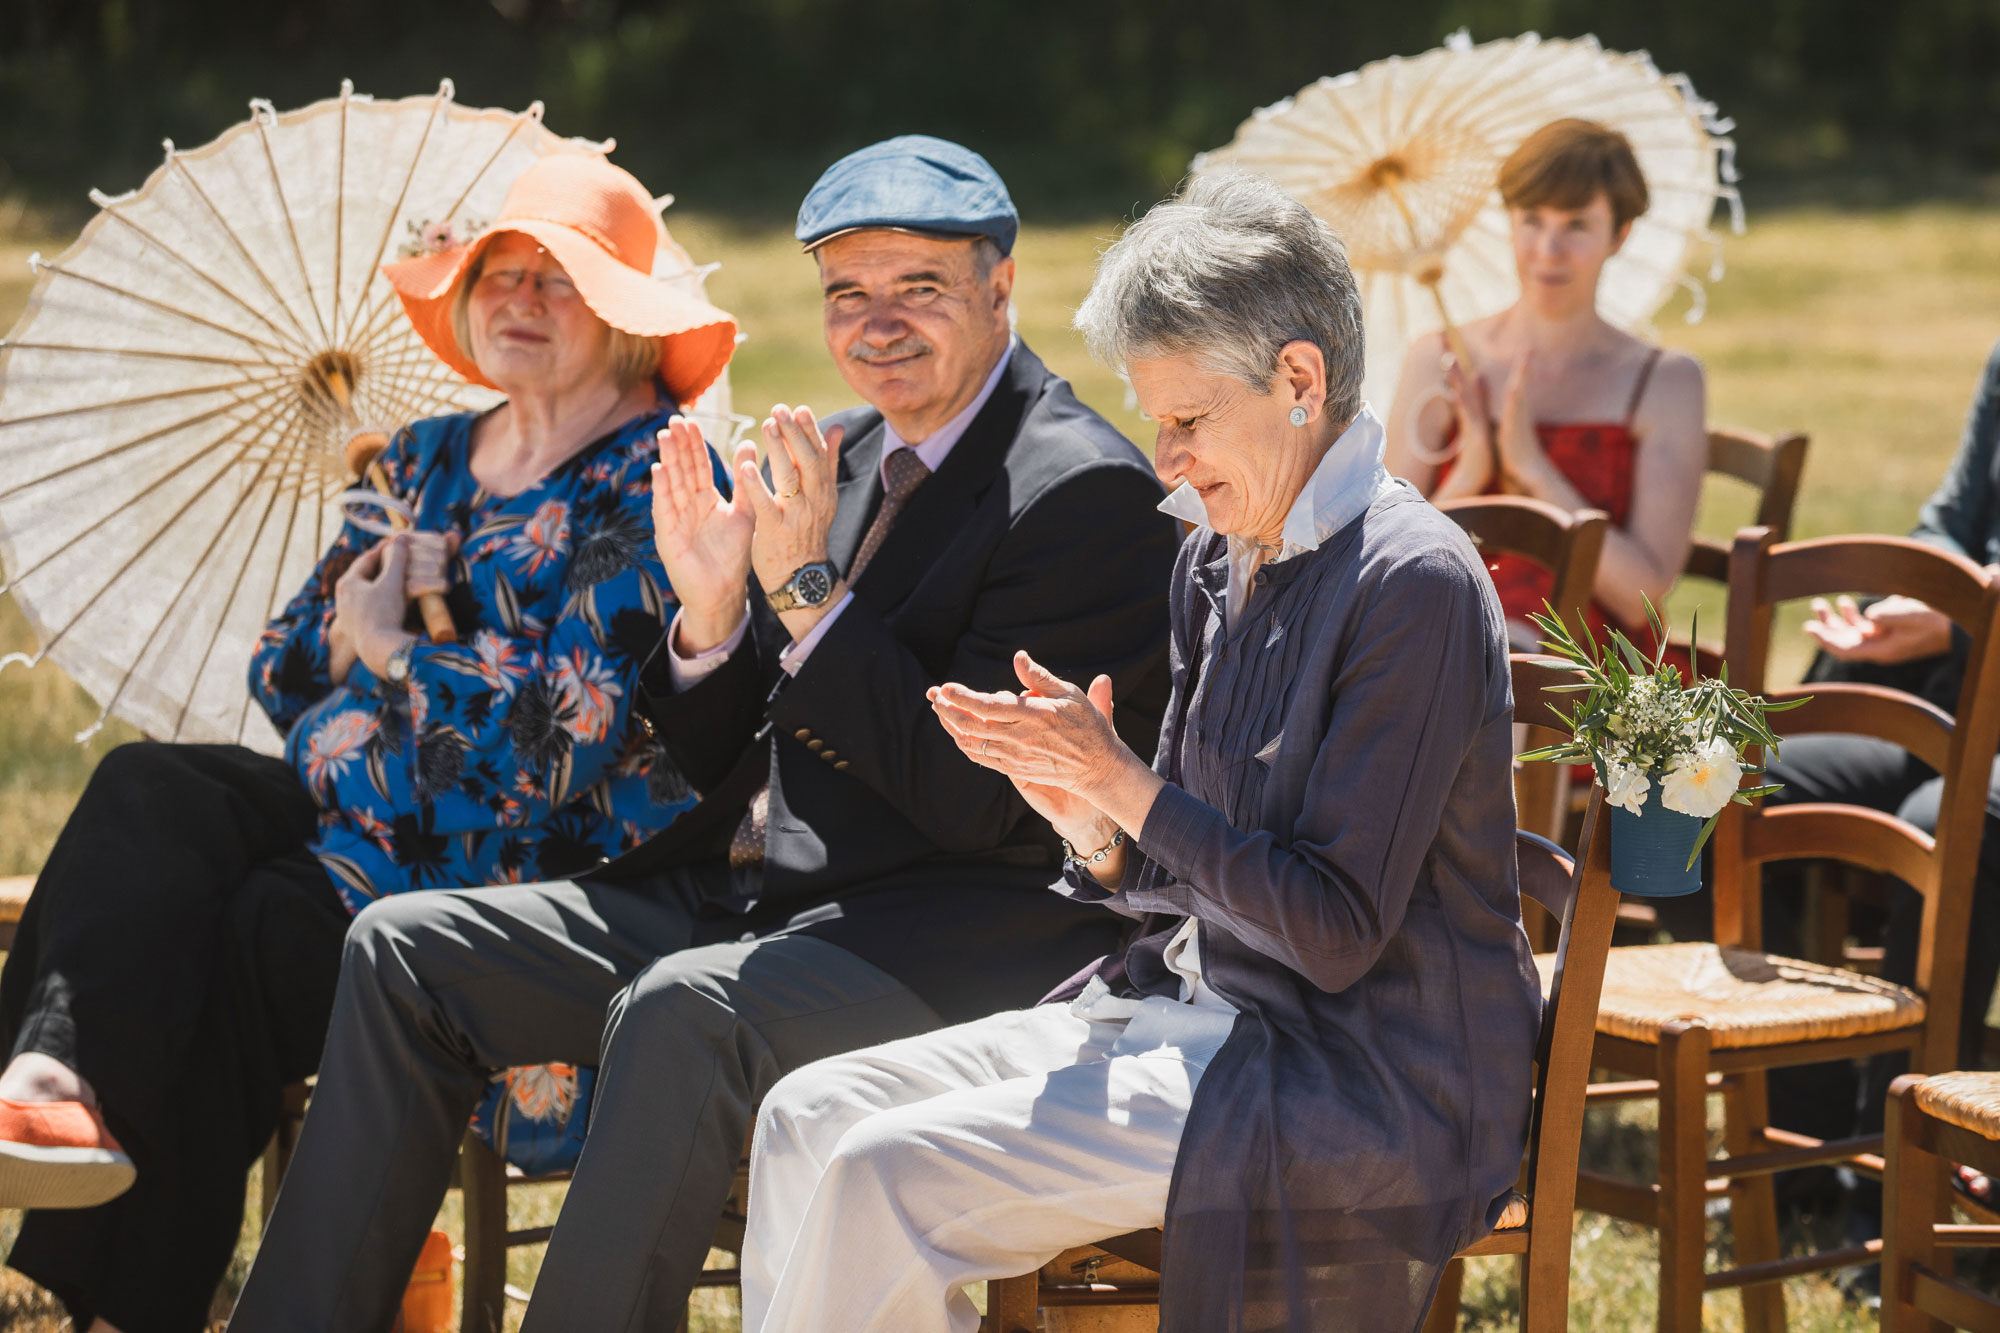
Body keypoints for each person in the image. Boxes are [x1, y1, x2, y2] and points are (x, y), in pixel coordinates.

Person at [226, 135, 1180, 1331]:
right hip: (762, 899)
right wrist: (711, 619)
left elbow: (973, 800)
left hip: (967, 935)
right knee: (404, 948)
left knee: (684, 1008)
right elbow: (725, 748)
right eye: (847, 296)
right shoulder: (839, 457)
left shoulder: (1082, 489)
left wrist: (806, 602)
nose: (875, 325)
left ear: (999, 289)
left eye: (917, 291)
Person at [742, 171, 1543, 1333]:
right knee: (807, 1116)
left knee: (877, 1171)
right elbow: (1176, 860)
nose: (1162, 458)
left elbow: (1330, 931)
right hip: (1188, 1007)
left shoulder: (1405, 580)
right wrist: (1084, 811)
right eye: (1154, 420)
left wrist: (1126, 784)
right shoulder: (1213, 554)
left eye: (1185, 418)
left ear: (1299, 381)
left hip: (1352, 1071)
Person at [0, 152, 738, 1333]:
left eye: (558, 281)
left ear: (622, 319)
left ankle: (122, 1300)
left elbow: (559, 747)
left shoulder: (655, 478)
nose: (519, 300)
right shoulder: (421, 460)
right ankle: (53, 1085)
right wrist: (358, 641)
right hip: (370, 817)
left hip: (525, 875)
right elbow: (283, 667)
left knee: (249, 937)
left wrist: (398, 658)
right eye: (499, 274)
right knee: (154, 786)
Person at [1757, 336, 2000, 1187]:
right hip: (1950, 696)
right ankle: (1802, 1134)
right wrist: (1925, 589)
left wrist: (1964, 616)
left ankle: (1894, 1171)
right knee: (1708, 791)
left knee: (1946, 821)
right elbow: (1949, 517)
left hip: (1981, 738)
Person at [1385, 118, 1708, 648]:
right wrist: (1470, 475)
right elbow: (1383, 561)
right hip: (1437, 632)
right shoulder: (1439, 360)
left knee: (1506, 653)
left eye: (1577, 225)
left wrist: (1538, 474)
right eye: (1531, 220)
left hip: (1592, 668)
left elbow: (1643, 597)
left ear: (1619, 235)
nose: (1548, 250)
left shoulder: (1665, 381)